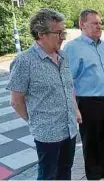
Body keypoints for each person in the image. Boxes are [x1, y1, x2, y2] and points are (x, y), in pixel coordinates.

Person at [7, 8, 79, 180]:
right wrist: (36, 122)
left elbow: (69, 88)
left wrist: (75, 110)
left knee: (65, 172)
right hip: (47, 135)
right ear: (41, 34)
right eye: (59, 33)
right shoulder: (24, 61)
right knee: (48, 175)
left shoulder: (63, 57)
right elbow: (16, 101)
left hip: (69, 129)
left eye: (64, 32)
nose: (63, 38)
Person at [63, 9, 104, 179]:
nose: (99, 26)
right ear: (82, 25)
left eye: (100, 22)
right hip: (87, 101)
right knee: (91, 140)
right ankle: (93, 174)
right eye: (94, 23)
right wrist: (74, 107)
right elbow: (68, 81)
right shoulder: (72, 48)